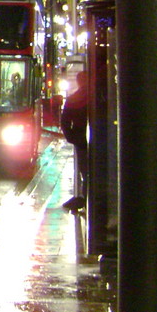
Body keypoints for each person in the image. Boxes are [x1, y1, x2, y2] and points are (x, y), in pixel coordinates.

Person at [60, 70, 89, 212]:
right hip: (97, 139)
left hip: (81, 140)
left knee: (85, 170)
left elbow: (64, 121)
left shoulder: (73, 99)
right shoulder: (98, 97)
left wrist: (72, 137)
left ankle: (85, 197)